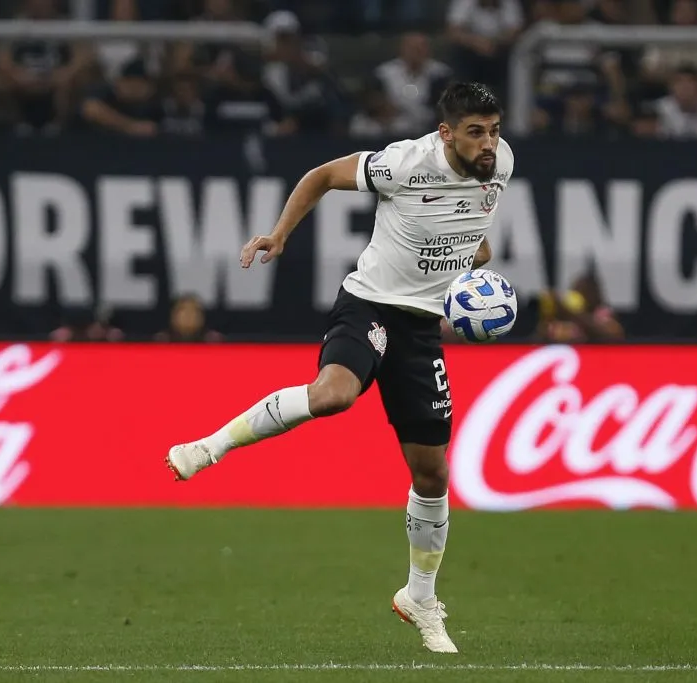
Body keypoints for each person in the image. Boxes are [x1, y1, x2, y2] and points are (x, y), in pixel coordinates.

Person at [166, 82, 512, 655]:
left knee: (432, 475)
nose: (488, 143)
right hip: (370, 304)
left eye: (494, 131)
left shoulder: (500, 165)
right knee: (333, 395)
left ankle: (419, 597)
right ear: (446, 133)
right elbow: (322, 176)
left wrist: (473, 260)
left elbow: (473, 230)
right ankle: (212, 445)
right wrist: (279, 235)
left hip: (421, 329)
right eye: (476, 132)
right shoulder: (405, 163)